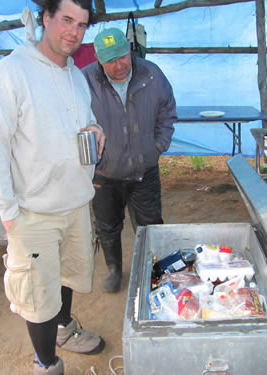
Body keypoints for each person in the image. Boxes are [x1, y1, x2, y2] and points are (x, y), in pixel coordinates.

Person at [0, 1, 106, 374]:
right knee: (38, 295)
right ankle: (46, 363)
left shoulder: (75, 75)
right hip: (32, 212)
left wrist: (96, 130)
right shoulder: (11, 74)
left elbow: (87, 120)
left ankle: (65, 329)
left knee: (64, 276)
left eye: (82, 25)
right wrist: (8, 213)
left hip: (75, 203)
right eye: (67, 20)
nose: (74, 32)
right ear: (46, 18)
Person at [82, 28, 177, 293]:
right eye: (111, 60)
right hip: (104, 173)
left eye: (123, 56)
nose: (119, 65)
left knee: (149, 224)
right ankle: (114, 268)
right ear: (99, 60)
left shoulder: (151, 74)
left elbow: (168, 112)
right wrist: (92, 158)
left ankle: (153, 268)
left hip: (143, 170)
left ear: (130, 50)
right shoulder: (84, 80)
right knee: (107, 226)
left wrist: (156, 147)